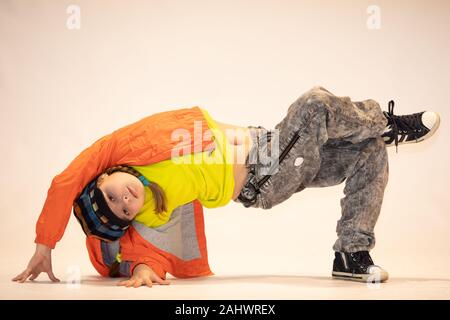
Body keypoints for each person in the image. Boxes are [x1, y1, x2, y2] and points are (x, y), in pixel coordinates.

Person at [12, 86, 440, 286]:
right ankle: (385, 123)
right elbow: (143, 251)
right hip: (264, 175)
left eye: (113, 194)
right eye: (122, 210)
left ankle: (351, 253)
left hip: (270, 143)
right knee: (314, 105)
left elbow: (66, 179)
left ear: (105, 174)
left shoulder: (123, 149)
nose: (124, 200)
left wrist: (44, 243)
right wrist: (142, 269)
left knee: (369, 154)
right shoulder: (151, 208)